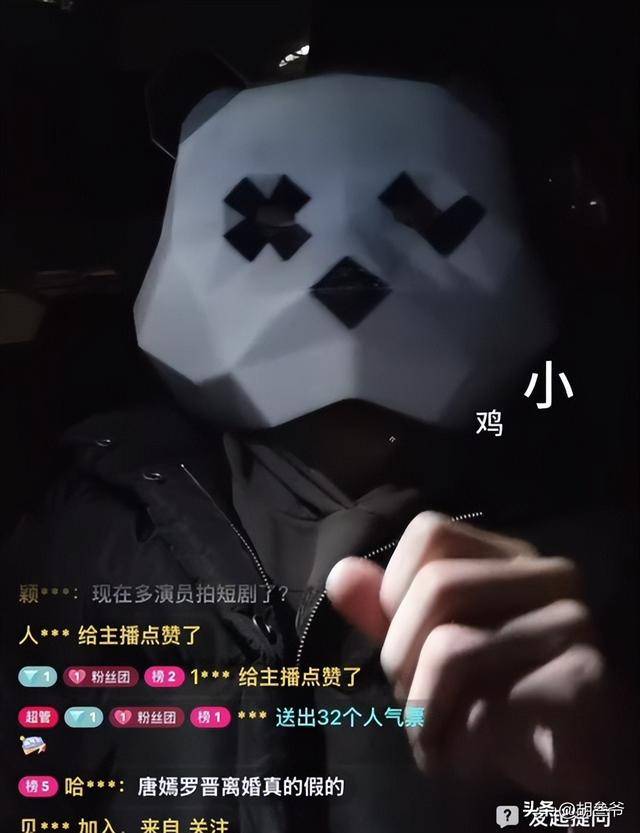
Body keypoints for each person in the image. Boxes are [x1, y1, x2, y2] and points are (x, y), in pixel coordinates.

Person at [3, 42, 637, 833]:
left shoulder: (598, 567)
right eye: (272, 221)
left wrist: (608, 785)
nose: (348, 259)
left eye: (414, 215)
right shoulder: (87, 525)